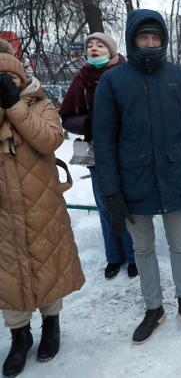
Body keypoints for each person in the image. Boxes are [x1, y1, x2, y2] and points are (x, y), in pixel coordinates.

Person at [93, 9, 181, 344]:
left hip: (175, 177)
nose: (149, 43)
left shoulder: (179, 77)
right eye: (143, 38)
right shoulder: (113, 82)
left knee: (179, 243)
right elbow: (104, 140)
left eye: (155, 38)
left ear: (163, 40)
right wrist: (111, 193)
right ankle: (153, 307)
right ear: (132, 40)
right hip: (133, 183)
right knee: (143, 248)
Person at [0, 39, 85, 376]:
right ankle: (19, 337)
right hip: (5, 213)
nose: (9, 84)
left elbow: (49, 139)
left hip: (41, 206)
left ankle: (52, 325)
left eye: (12, 79)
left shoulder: (41, 105)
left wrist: (15, 107)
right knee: (10, 274)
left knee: (48, 264)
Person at [59, 32, 137, 280]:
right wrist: (88, 122)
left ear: (111, 51)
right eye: (89, 45)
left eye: (99, 44)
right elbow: (67, 117)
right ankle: (114, 257)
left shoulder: (127, 73)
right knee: (105, 205)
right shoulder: (82, 78)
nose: (93, 48)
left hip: (128, 151)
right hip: (98, 152)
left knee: (130, 203)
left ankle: (135, 256)